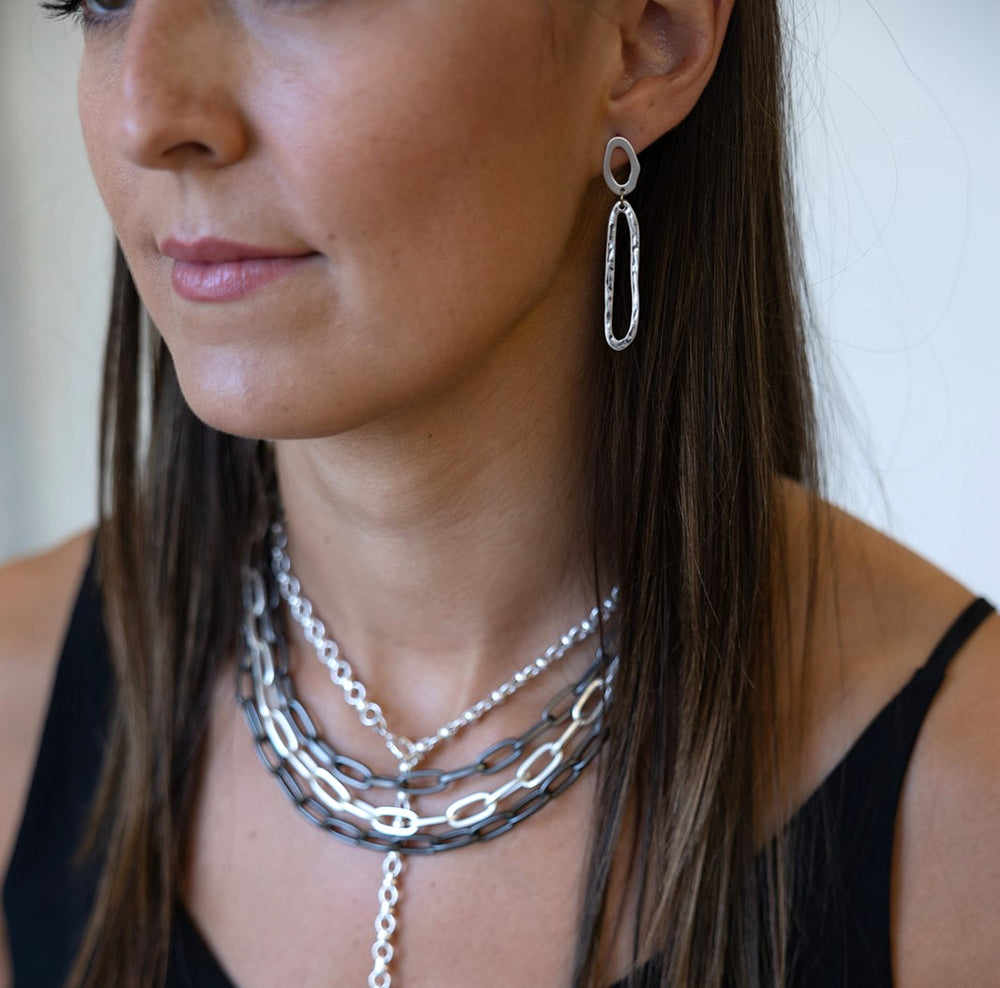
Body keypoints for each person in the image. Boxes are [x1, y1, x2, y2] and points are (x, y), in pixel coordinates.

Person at [1, 0, 998, 986]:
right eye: (100, 1)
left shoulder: (968, 825)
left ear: (647, 39)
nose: (146, 117)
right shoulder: (12, 706)